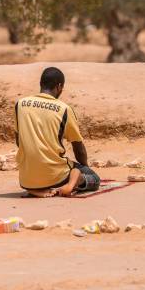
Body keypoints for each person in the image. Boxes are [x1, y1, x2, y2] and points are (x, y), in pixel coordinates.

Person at [14, 67, 100, 197]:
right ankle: (72, 183)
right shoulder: (64, 109)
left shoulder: (20, 105)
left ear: (41, 84)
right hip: (55, 174)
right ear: (59, 86)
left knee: (45, 170)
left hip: (26, 179)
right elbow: (78, 147)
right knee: (94, 179)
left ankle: (36, 189)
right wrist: (85, 168)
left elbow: (18, 141)